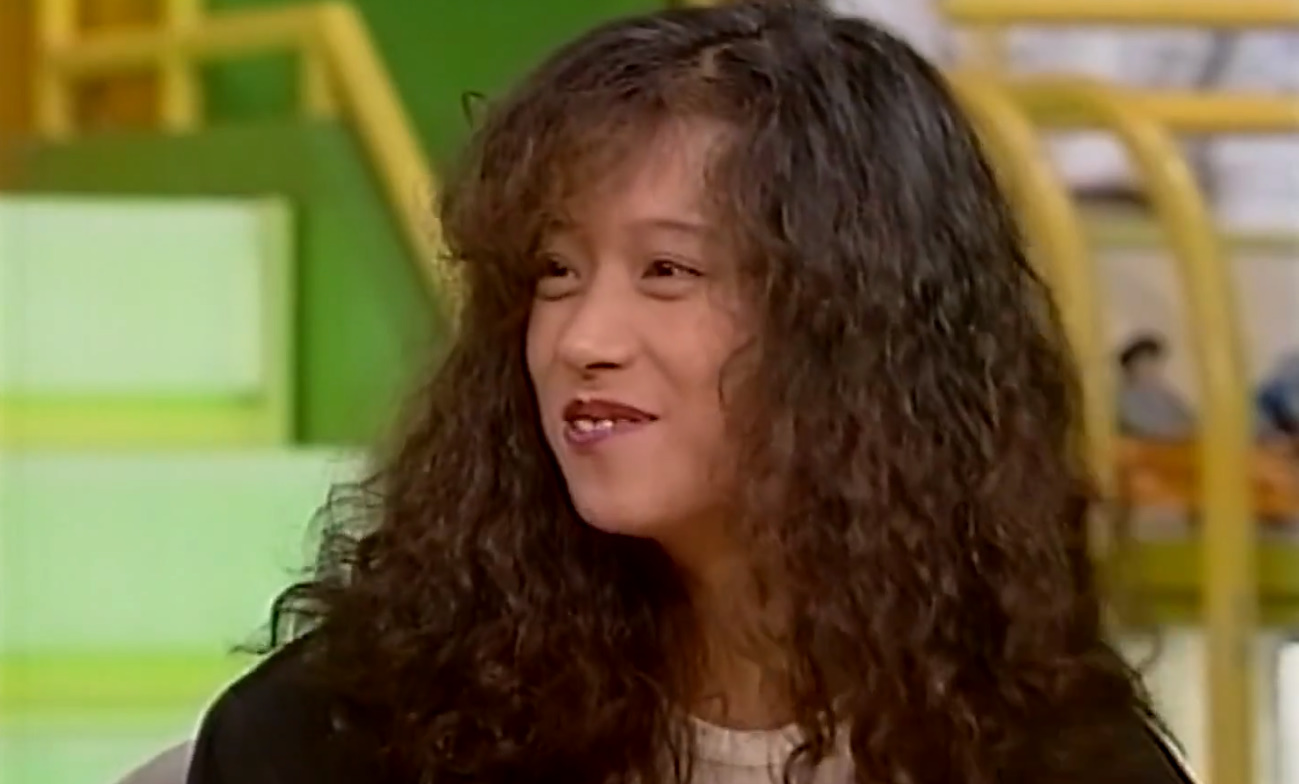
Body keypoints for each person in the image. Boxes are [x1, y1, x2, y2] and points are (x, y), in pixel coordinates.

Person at [186, 2, 1196, 782]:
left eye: (667, 271)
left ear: (852, 321)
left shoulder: (1052, 755)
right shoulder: (342, 734)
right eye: (554, 272)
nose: (582, 340)